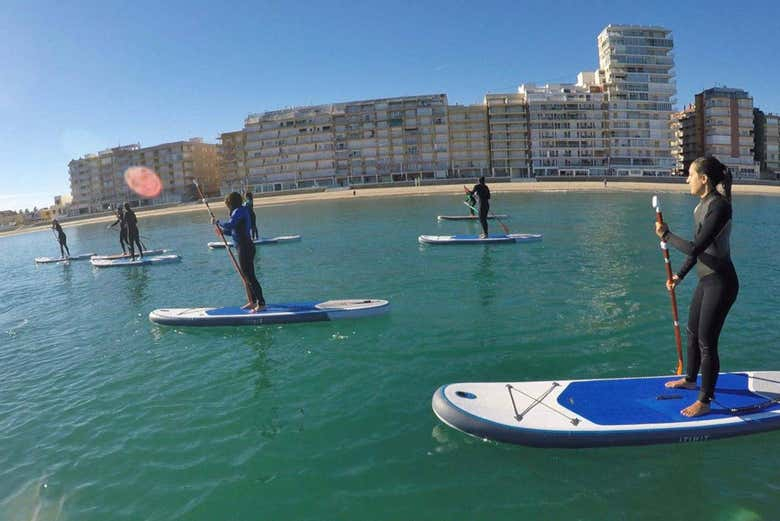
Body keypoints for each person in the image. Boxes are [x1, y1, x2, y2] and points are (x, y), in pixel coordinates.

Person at [655, 156, 738, 418]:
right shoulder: (700, 206)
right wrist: (679, 275)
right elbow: (698, 249)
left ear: (704, 179)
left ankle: (705, 400)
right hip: (706, 279)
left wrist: (667, 235)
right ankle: (691, 379)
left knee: (707, 341)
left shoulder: (720, 207)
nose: (687, 179)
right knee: (692, 331)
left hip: (722, 282)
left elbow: (696, 247)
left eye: (690, 174)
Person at [214, 192, 266, 312]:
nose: (227, 207)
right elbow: (234, 230)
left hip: (245, 247)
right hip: (243, 247)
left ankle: (261, 303)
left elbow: (230, 224)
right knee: (246, 276)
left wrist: (218, 222)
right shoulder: (239, 211)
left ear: (231, 203)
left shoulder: (239, 211)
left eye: (227, 204)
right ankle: (253, 302)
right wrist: (222, 232)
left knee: (250, 276)